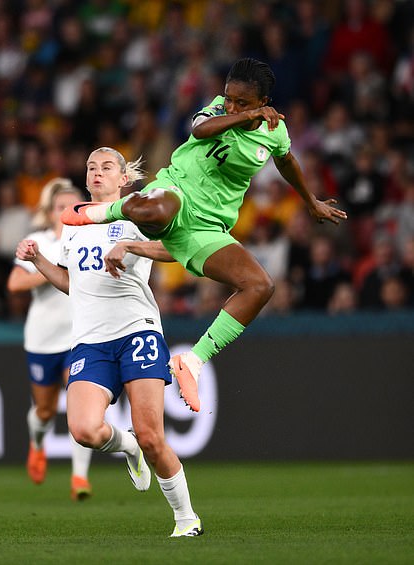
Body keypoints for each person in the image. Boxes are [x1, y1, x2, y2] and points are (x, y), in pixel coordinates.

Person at [62, 57, 348, 413]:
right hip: (176, 190)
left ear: (264, 102)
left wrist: (310, 201)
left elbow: (286, 161)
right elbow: (200, 130)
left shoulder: (275, 132)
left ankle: (192, 363)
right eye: (229, 97)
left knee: (260, 285)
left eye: (242, 102)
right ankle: (98, 212)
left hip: (208, 227)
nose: (231, 105)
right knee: (157, 211)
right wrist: (243, 116)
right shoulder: (217, 108)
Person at [16, 148, 202, 537]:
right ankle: (126, 446)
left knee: (153, 436)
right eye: (91, 167)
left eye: (106, 167)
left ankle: (186, 518)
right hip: (90, 339)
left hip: (138, 330)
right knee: (83, 430)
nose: (97, 173)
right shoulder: (74, 223)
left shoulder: (139, 213)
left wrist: (132, 246)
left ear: (123, 179)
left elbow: (178, 249)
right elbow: (72, 284)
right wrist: (38, 261)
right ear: (86, 178)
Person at [7, 178, 94, 501]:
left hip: (79, 336)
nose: (64, 212)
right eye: (59, 207)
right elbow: (15, 283)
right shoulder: (36, 241)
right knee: (44, 411)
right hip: (43, 338)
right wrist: (46, 271)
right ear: (50, 211)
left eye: (71, 206)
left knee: (78, 407)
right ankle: (37, 444)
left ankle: (79, 478)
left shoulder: (89, 238)